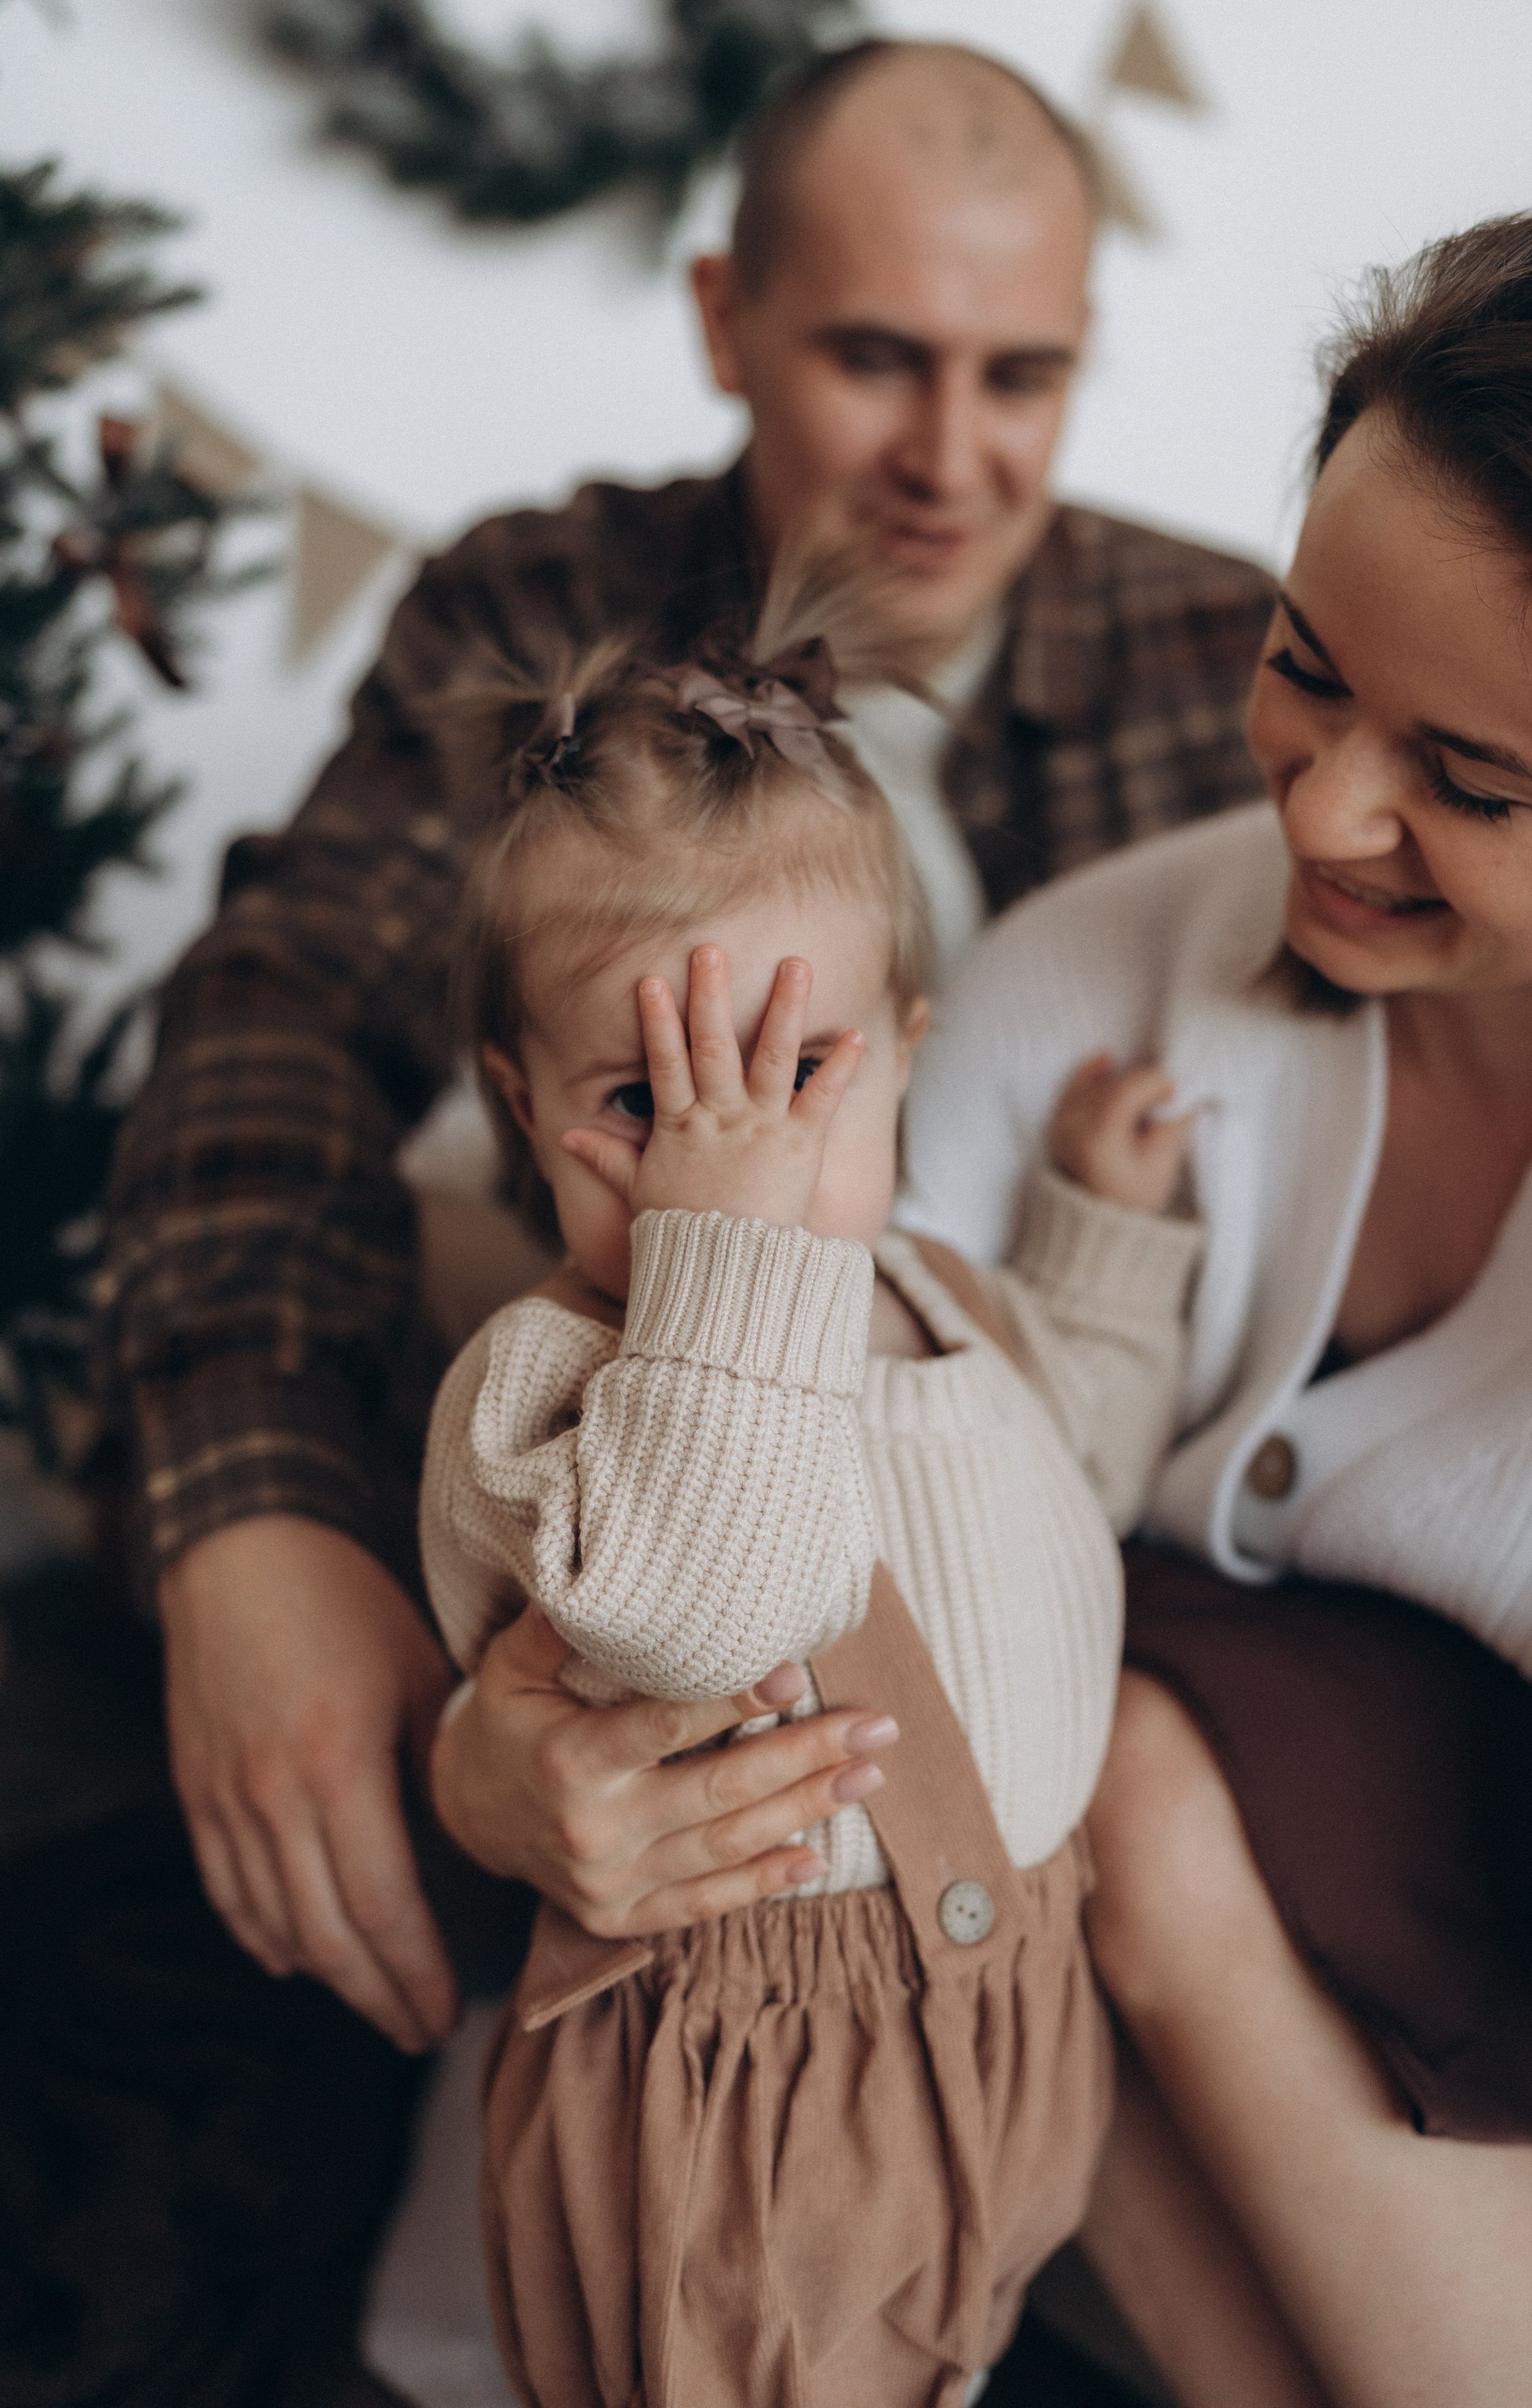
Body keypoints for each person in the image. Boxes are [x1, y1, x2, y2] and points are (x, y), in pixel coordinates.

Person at [97, 34, 1272, 2055]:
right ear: (728, 321)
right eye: (878, 359)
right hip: (635, 1437)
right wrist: (251, 1517)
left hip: (1017, 1452)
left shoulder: (1226, 660)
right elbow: (278, 1005)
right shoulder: (544, 605)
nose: (953, 456)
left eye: (1024, 376)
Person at [891, 202, 1532, 2406]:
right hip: (1098, 1839)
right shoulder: (1093, 987)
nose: (1330, 806)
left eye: (1468, 781)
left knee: (1147, 1795)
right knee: (1113, 1793)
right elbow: (863, 1531)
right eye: (1304, 663)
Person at [414, 589, 1201, 2403]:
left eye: (798, 1077)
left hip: (1004, 2019)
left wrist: (1099, 1238)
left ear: (910, 1054)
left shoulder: (943, 1298)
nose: (735, 1146)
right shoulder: (546, 1391)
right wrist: (730, 1251)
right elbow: (717, 1599)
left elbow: (1080, 1462)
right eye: (645, 1097)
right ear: (515, 1104)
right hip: (740, 2105)